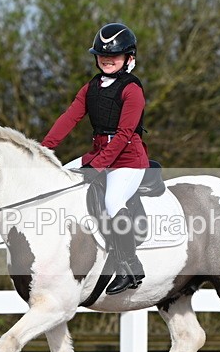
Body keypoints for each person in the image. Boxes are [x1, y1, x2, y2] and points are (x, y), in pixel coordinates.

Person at [41, 22, 150, 295]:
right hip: (98, 154)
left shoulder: (132, 90)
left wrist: (97, 166)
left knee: (113, 201)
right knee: (57, 184)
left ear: (129, 58)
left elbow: (125, 135)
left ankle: (130, 265)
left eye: (114, 55)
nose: (107, 59)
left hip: (128, 159)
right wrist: (42, 151)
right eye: (102, 55)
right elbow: (69, 118)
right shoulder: (91, 88)